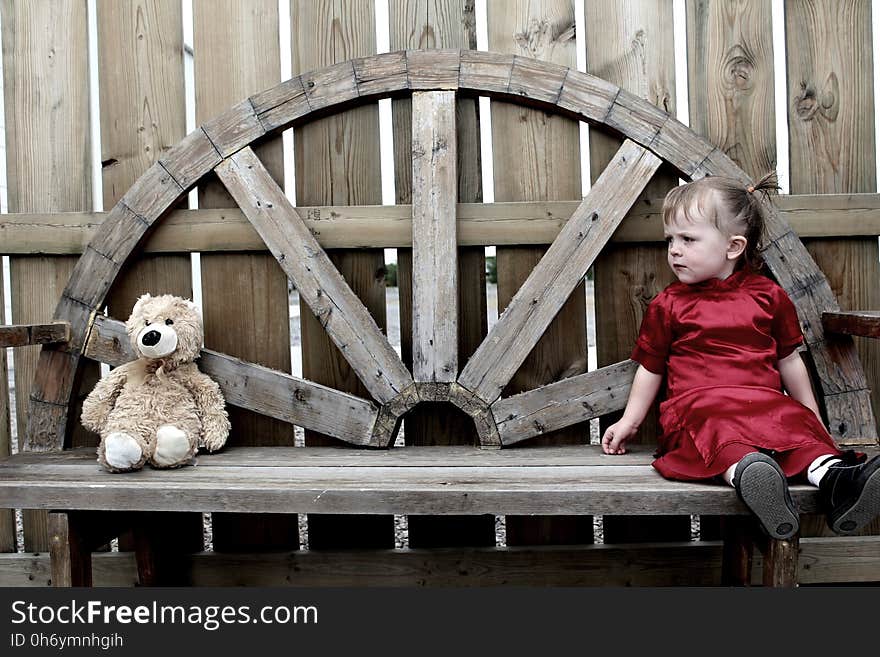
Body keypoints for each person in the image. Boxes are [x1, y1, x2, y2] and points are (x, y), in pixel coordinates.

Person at [601, 172, 880, 539]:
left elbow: (789, 361)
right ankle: (750, 474)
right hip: (698, 409)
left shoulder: (768, 297)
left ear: (733, 247)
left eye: (687, 239)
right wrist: (630, 422)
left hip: (763, 404)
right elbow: (650, 368)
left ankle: (838, 482)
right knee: (721, 431)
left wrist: (811, 416)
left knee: (795, 427)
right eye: (670, 239)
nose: (674, 250)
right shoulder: (669, 304)